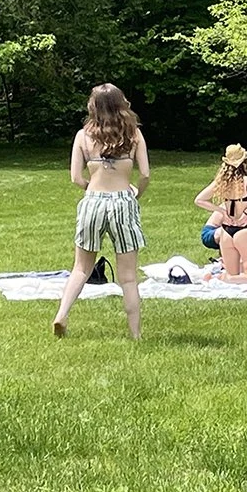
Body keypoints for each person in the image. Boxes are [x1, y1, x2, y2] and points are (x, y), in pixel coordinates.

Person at [52, 83, 151, 339]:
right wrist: (136, 193)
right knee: (128, 277)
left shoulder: (82, 136)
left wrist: (91, 189)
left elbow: (75, 177)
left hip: (93, 202)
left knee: (81, 268)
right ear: (121, 104)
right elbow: (145, 174)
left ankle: (62, 314)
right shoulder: (134, 135)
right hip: (123, 202)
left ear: (93, 107)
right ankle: (135, 334)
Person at [195, 144, 247, 283]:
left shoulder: (222, 182)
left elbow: (199, 200)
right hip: (245, 229)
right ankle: (218, 278)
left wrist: (221, 211)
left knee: (232, 275)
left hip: (226, 231)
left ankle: (216, 278)